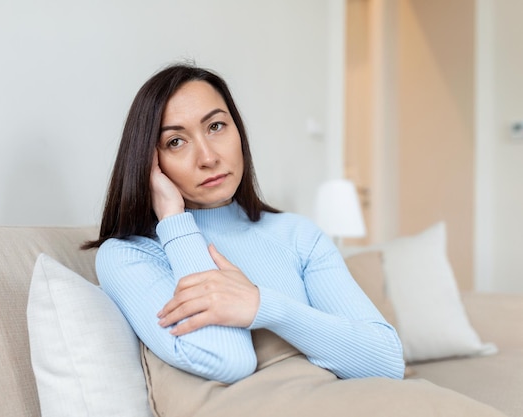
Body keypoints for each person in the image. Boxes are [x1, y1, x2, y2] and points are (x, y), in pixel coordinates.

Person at [82, 63, 405, 384]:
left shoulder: (298, 235)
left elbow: (387, 362)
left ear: (239, 131)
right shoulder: (128, 256)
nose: (208, 157)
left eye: (216, 126)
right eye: (176, 142)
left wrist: (263, 305)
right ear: (150, 163)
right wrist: (173, 219)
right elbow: (227, 358)